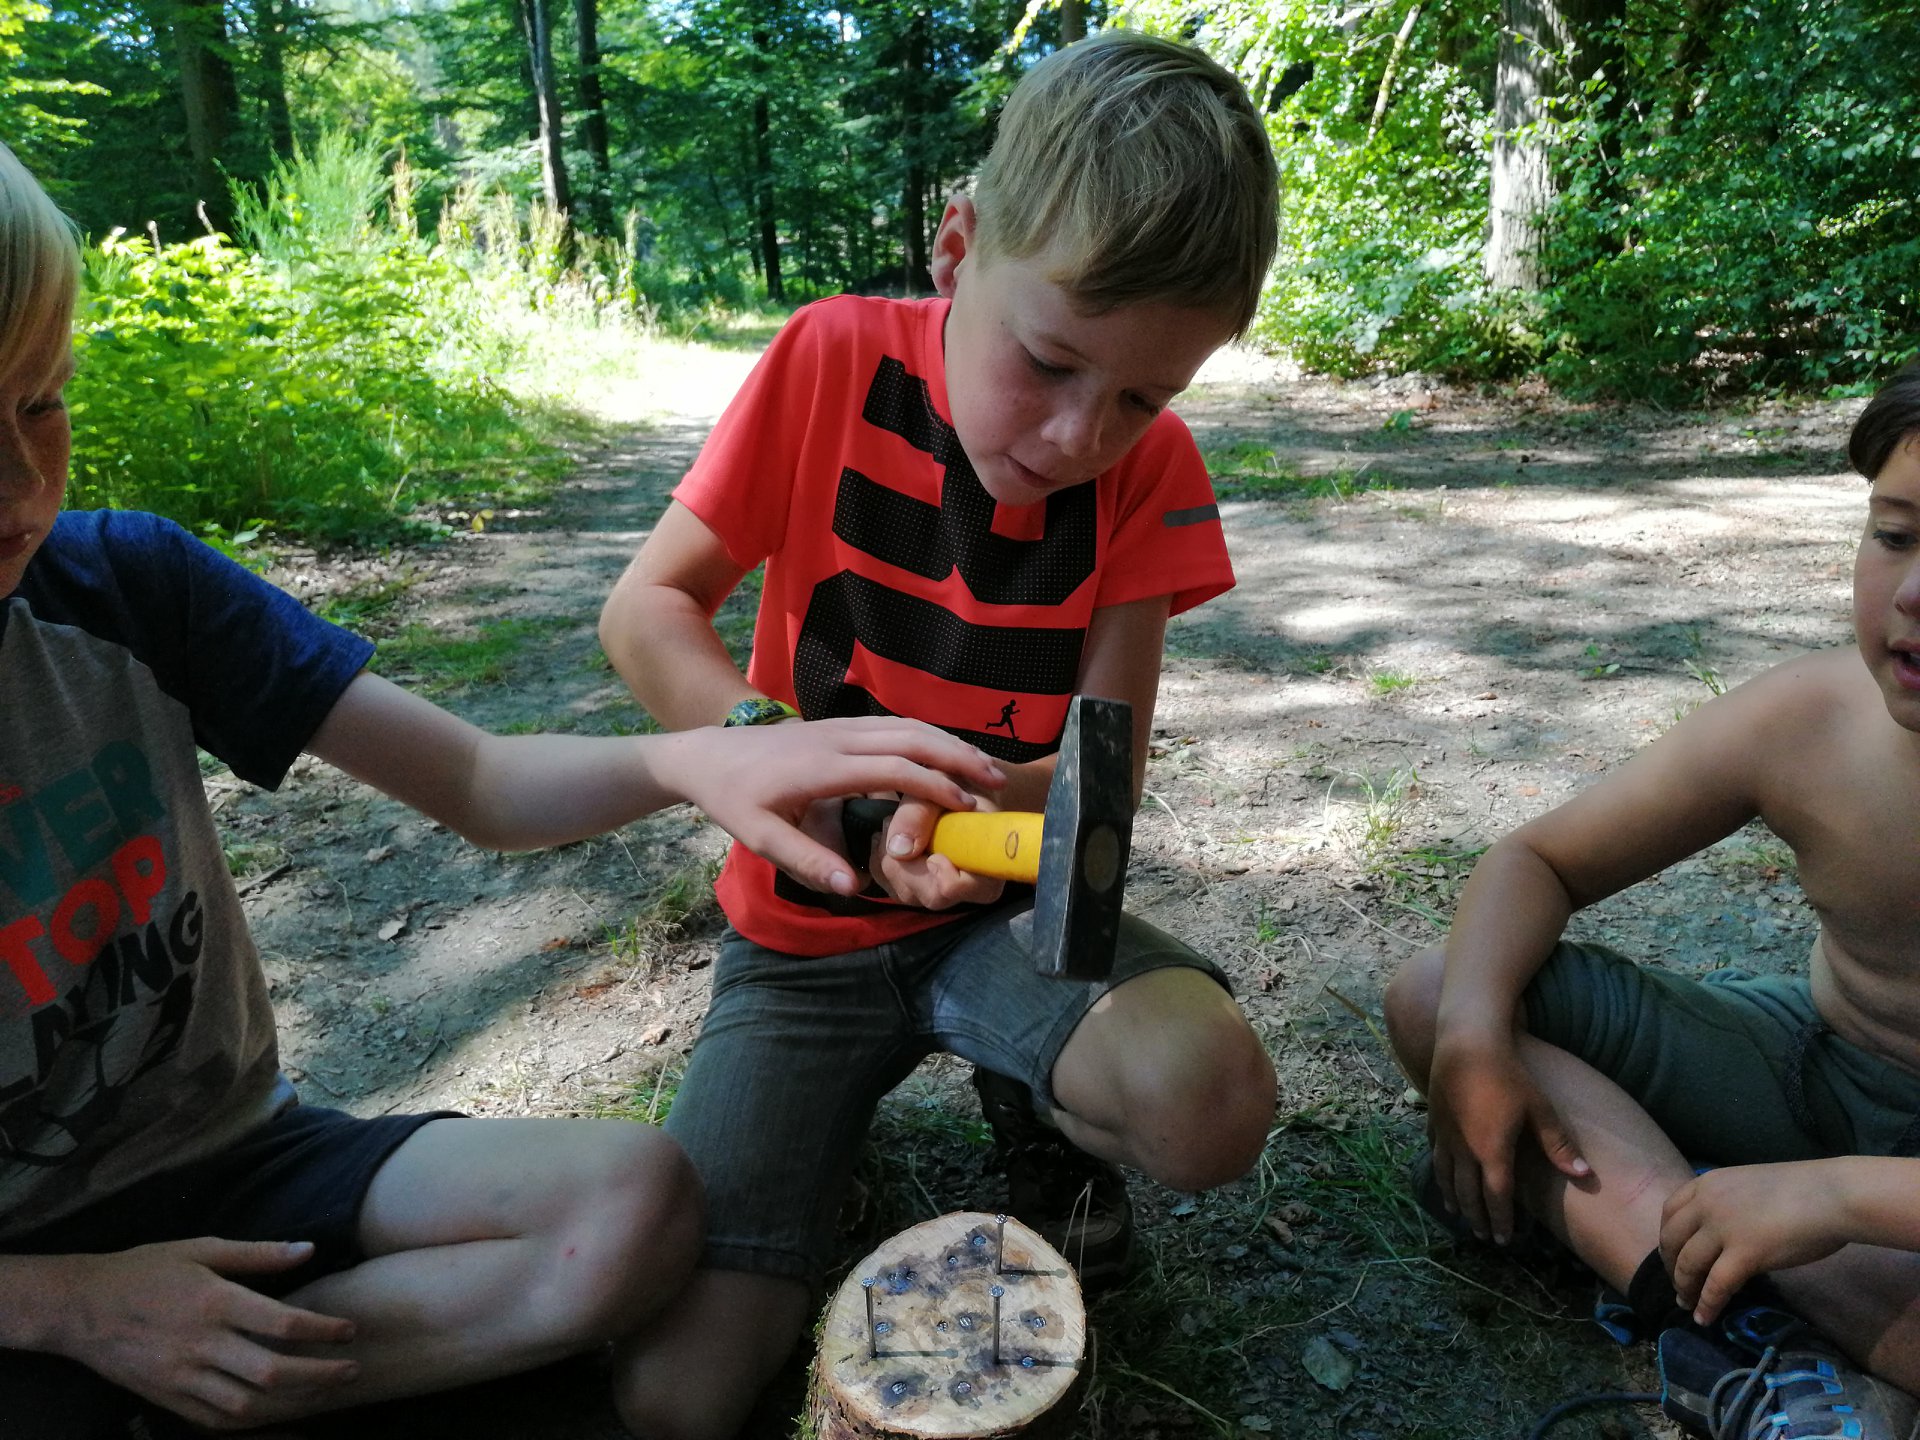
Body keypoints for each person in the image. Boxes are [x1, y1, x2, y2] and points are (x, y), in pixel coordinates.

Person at [0, 142, 1010, 1439]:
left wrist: (695, 758)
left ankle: (212, 1379)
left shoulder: (128, 588)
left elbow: (479, 781)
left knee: (629, 1204)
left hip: (233, 1160)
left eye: (44, 400)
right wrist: (79, 1306)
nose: (27, 483)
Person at [596, 28, 1283, 1439]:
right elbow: (648, 611)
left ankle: (1042, 1116)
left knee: (1207, 1103)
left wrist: (968, 815)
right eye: (1049, 363)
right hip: (801, 935)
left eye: (1146, 396)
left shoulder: (1152, 475)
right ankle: (816, 1143)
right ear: (957, 251)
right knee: (678, 1395)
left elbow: (1103, 772)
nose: (1081, 434)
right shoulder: (830, 360)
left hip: (1006, 915)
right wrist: (781, 759)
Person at [1384, 361, 1920, 1438]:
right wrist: (1481, 1031)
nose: (1910, 595)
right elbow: (1538, 862)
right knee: (1443, 993)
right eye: (1897, 536)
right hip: (1808, 1064)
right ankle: (1742, 1311)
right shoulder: (1809, 720)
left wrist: (1832, 1199)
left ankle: (1680, 1223)